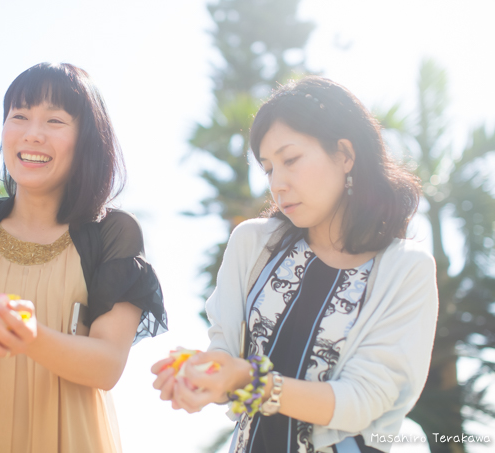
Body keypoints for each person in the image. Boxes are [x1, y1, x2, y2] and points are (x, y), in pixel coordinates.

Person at [152, 76, 438, 453]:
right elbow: (226, 349)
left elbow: (362, 401)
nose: (278, 183)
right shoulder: (252, 244)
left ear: (346, 154)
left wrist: (251, 380)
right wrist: (204, 374)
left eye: (291, 160)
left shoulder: (407, 269)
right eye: (269, 168)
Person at [0, 63, 167, 453]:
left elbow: (107, 365)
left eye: (55, 121)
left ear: (88, 140)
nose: (33, 134)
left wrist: (26, 333)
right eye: (19, 117)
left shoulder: (113, 234)